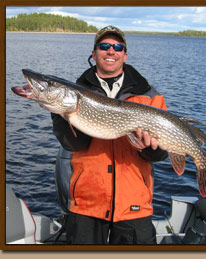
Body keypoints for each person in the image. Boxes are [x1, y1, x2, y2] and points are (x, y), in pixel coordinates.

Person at [51, 25, 168, 244]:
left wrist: (152, 148)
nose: (110, 51)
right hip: (87, 203)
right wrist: (60, 113)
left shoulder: (149, 95)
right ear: (94, 54)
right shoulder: (76, 93)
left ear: (125, 54)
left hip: (134, 205)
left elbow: (162, 155)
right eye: (104, 46)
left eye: (117, 47)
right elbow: (73, 144)